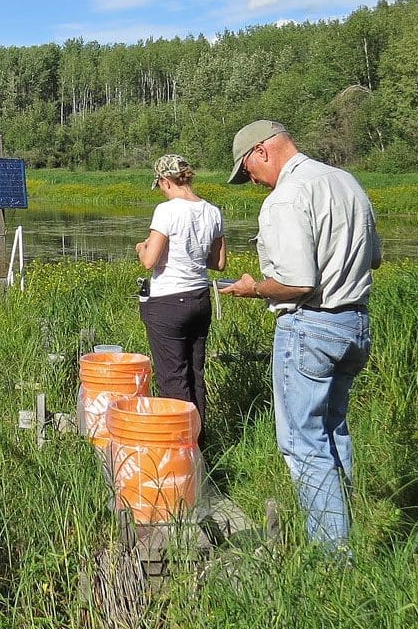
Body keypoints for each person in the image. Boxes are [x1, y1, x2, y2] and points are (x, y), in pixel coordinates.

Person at [220, 120, 382, 550]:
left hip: (310, 326)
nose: (251, 181)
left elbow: (297, 283)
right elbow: (376, 258)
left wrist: (253, 288)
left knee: (303, 444)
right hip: (355, 324)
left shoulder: (286, 198)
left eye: (248, 171)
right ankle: (343, 535)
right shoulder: (346, 182)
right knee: (333, 433)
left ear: (261, 152)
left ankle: (332, 559)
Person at [136, 154, 226, 443]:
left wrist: (142, 247)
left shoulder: (166, 211)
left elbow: (150, 262)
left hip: (168, 302)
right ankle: (199, 444)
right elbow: (219, 262)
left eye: (160, 184)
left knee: (173, 377)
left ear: (165, 181)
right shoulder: (213, 211)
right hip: (199, 298)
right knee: (194, 375)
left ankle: (179, 451)